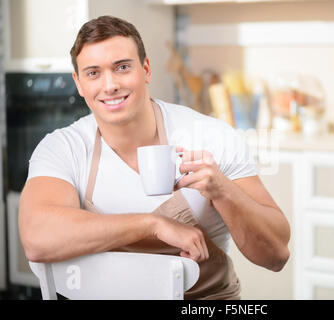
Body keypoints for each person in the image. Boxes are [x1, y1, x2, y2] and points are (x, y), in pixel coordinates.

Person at [19, 15, 290, 299]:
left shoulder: (212, 136)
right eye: (93, 73)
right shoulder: (63, 148)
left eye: (122, 67)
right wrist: (154, 225)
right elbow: (38, 238)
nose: (109, 85)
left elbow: (275, 255)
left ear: (146, 69)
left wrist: (223, 190)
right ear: (79, 83)